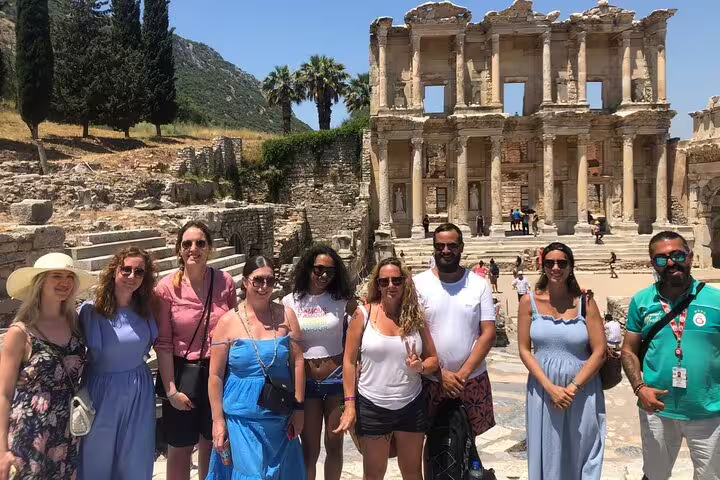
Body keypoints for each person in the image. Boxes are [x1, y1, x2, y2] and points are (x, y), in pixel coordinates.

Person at [621, 231, 720, 480]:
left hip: (709, 410)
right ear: (652, 264)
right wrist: (639, 388)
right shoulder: (642, 302)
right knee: (655, 475)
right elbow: (629, 350)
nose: (671, 263)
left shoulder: (716, 301)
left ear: (690, 256)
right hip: (657, 409)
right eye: (662, 259)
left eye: (677, 255)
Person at [335, 257, 439, 480]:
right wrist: (350, 405)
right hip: (372, 404)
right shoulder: (363, 315)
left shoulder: (416, 316)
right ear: (377, 284)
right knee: (373, 474)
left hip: (410, 404)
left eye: (396, 280)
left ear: (405, 282)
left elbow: (433, 360)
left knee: (412, 473)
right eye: (384, 281)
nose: (391, 286)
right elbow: (349, 361)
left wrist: (420, 366)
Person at [206, 256, 306, 480]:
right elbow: (215, 375)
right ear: (245, 281)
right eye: (258, 280)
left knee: (281, 474)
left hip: (279, 416)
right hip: (242, 416)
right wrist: (218, 420)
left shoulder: (286, 316)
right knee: (252, 476)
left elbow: (298, 362)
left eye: (270, 281)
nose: (264, 287)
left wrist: (299, 409)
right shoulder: (227, 322)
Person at [154, 220, 238, 480]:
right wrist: (170, 391)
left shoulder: (224, 282)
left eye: (200, 243)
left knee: (213, 443)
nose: (194, 249)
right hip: (181, 372)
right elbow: (164, 345)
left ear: (210, 248)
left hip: (218, 371)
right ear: (179, 249)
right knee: (179, 448)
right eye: (187, 244)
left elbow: (235, 327)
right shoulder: (167, 288)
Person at [0, 253, 95, 479]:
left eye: (69, 276)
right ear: (40, 283)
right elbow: (3, 393)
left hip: (67, 427)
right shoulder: (21, 333)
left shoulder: (76, 325)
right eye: (56, 276)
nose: (65, 282)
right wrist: (2, 450)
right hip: (30, 428)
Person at [517, 242, 607, 479]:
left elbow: (600, 351)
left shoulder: (586, 303)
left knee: (584, 448)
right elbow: (524, 349)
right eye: (550, 263)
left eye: (562, 263)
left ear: (571, 266)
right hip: (543, 387)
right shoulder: (528, 302)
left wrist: (573, 388)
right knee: (548, 446)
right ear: (542, 266)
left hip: (582, 387)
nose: (555, 268)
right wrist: (550, 388)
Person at [78, 247, 158, 480]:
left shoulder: (147, 309)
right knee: (96, 457)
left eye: (139, 272)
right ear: (114, 271)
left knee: (135, 457)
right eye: (126, 270)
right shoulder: (91, 311)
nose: (132, 276)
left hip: (139, 390)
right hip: (101, 390)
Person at [414, 224, 497, 447]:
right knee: (430, 444)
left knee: (468, 442)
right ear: (433, 248)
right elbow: (413, 332)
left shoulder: (479, 284)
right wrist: (441, 375)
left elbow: (488, 333)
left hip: (471, 378)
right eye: (440, 246)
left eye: (452, 245)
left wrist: (462, 375)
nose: (446, 250)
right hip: (430, 379)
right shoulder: (417, 284)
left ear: (461, 247)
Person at [282, 246, 356, 480]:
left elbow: (366, 321)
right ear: (308, 269)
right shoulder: (290, 301)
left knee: (334, 444)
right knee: (309, 449)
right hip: (307, 384)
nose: (324, 276)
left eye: (330, 272)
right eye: (319, 270)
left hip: (335, 381)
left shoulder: (342, 300)